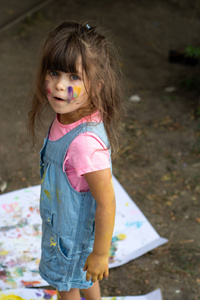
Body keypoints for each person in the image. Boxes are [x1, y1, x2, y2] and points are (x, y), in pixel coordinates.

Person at [28, 21, 124, 300]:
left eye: (74, 77)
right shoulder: (67, 118)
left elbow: (106, 201)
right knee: (83, 277)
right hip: (64, 230)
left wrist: (100, 253)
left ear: (96, 86)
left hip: (70, 240)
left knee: (66, 288)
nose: (59, 85)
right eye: (54, 72)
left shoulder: (84, 144)